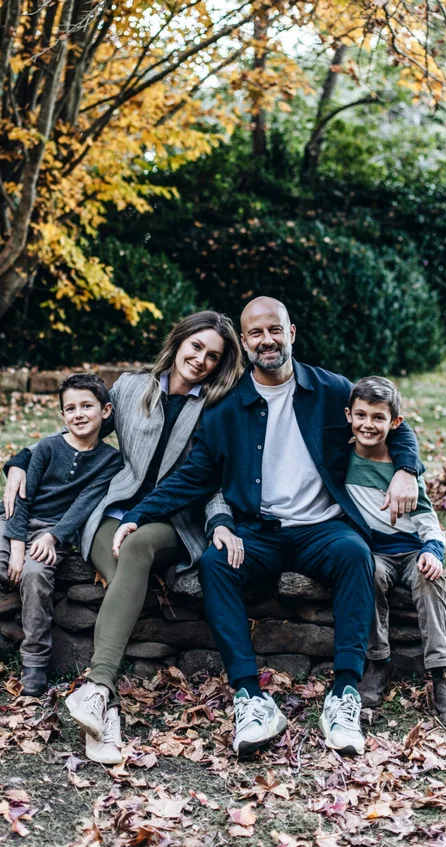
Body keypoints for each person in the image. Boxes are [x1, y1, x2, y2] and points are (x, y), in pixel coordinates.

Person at [113, 296, 422, 758]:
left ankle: (343, 694)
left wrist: (406, 469)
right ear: (245, 341)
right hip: (257, 530)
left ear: (291, 333)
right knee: (217, 563)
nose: (267, 340)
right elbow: (195, 476)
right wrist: (138, 515)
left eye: (275, 330)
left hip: (322, 527)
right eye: (255, 333)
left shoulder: (333, 390)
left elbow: (393, 423)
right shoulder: (226, 408)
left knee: (356, 554)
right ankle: (250, 697)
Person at [2, 311, 244, 763]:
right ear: (179, 342)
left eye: (213, 356)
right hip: (112, 510)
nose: (201, 360)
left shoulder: (215, 409)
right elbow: (83, 427)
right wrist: (22, 457)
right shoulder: (131, 388)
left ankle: (96, 686)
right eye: (196, 347)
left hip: (172, 521)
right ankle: (105, 713)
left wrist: (220, 522)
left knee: (136, 549)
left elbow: (213, 481)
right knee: (127, 576)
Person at [0, 373, 122, 696]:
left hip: (53, 532)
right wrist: (18, 544)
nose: (78, 414)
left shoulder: (109, 461)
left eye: (87, 406)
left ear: (105, 411)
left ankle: (35, 661)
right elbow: (22, 496)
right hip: (12, 522)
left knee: (36, 577)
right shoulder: (48, 447)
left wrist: (53, 537)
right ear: (62, 415)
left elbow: (84, 504)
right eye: (70, 408)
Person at [345, 376, 446, 729]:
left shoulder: (406, 470)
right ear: (349, 415)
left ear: (395, 423)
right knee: (366, 573)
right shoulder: (341, 460)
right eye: (361, 415)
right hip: (374, 552)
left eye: (379, 418)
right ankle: (377, 663)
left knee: (431, 580)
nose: (368, 424)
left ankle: (443, 676)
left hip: (413, 549)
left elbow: (429, 520)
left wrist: (433, 551)